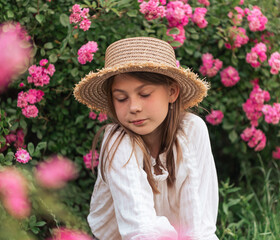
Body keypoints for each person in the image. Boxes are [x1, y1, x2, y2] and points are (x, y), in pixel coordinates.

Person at [74, 37, 219, 240]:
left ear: (172, 92)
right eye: (121, 98)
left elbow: (199, 222)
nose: (133, 107)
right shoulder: (117, 141)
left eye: (144, 94)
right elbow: (140, 228)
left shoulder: (192, 131)